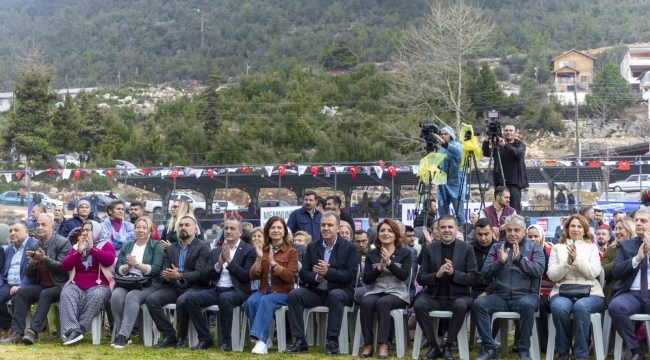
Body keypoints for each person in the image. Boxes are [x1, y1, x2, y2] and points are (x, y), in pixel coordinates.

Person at [285, 211, 360, 355]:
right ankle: (300, 341)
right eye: (323, 225)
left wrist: (328, 272)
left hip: (341, 291)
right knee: (294, 295)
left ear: (338, 228)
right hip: (317, 291)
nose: (326, 228)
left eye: (330, 225)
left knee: (335, 295)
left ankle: (332, 341)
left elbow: (350, 275)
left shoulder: (349, 248)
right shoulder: (313, 246)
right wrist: (318, 277)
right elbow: (304, 273)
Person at [473, 214, 544, 360]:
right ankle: (489, 348)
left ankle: (523, 349)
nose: (512, 234)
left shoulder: (534, 248)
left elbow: (538, 271)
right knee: (479, 304)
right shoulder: (497, 247)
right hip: (501, 297)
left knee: (526, 304)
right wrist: (499, 262)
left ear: (524, 231)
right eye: (509, 230)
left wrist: (519, 260)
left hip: (526, 296)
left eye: (516, 230)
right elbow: (485, 273)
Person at [185, 217, 256, 351]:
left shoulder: (248, 250)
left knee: (225, 298)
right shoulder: (216, 251)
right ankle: (205, 339)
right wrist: (218, 265)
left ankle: (226, 342)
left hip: (237, 291)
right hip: (217, 290)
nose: (228, 231)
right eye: (226, 228)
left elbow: (246, 277)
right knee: (191, 299)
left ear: (240, 232)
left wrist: (229, 261)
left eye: (232, 228)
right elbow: (205, 277)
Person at [1, 214, 72, 345]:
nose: (39, 227)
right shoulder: (36, 245)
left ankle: (32, 332)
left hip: (59, 285)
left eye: (43, 225)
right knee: (20, 293)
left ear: (52, 226)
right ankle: (17, 333)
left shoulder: (63, 242)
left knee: (46, 294)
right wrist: (33, 263)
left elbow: (63, 268)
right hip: (41, 284)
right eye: (38, 224)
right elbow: (28, 273)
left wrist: (44, 259)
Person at [414, 215, 477, 360]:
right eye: (443, 227)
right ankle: (434, 346)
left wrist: (454, 273)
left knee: (461, 305)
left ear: (456, 229)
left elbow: (473, 279)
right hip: (434, 296)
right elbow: (421, 278)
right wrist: (437, 274)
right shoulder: (430, 249)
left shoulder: (467, 249)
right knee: (418, 304)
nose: (446, 230)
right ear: (438, 230)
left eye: (450, 227)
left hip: (458, 296)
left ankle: (448, 346)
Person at [146, 216, 210, 349]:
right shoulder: (171, 248)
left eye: (187, 225)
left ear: (195, 228)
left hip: (194, 287)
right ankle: (169, 335)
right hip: (174, 286)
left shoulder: (203, 247)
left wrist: (180, 275)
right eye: (181, 225)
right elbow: (164, 268)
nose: (183, 228)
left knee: (182, 300)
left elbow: (200, 273)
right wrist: (167, 276)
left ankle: (182, 337)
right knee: (152, 299)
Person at [547, 214, 604, 360]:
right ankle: (563, 352)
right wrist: (567, 263)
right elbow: (552, 275)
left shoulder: (592, 248)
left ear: (585, 230)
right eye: (572, 226)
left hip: (591, 292)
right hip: (562, 291)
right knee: (559, 308)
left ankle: (581, 354)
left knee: (581, 307)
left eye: (579, 226)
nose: (576, 229)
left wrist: (576, 260)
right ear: (566, 228)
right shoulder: (557, 248)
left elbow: (593, 273)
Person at [243, 216, 298, 354]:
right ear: (268, 231)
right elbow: (252, 276)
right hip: (263, 290)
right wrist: (259, 259)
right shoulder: (264, 250)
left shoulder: (292, 252)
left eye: (279, 227)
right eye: (273, 227)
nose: (276, 230)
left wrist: (274, 264)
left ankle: (261, 342)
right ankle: (264, 338)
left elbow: (289, 276)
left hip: (283, 292)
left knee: (265, 301)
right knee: (250, 302)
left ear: (284, 231)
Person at [359, 218, 413, 359]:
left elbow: (404, 277)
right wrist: (380, 267)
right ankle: (368, 344)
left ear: (395, 234)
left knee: (383, 303)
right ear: (378, 234)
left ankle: (383, 343)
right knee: (366, 302)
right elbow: (366, 279)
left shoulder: (405, 253)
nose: (386, 233)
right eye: (382, 230)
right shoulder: (372, 254)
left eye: (389, 231)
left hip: (397, 292)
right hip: (376, 289)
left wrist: (389, 263)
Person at [59, 220, 116, 345]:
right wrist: (78, 252)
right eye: (83, 230)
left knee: (96, 296)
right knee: (66, 293)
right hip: (77, 284)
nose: (84, 233)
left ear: (96, 231)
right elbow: (65, 265)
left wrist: (92, 249)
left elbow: (109, 260)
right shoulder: (76, 247)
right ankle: (71, 329)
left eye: (88, 230)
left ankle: (79, 330)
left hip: (100, 285)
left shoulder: (105, 244)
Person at [110, 217, 164, 349]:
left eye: (144, 228)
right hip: (128, 280)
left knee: (132, 296)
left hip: (148, 283)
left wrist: (137, 265)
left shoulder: (156, 246)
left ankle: (123, 336)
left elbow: (156, 269)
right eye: (138, 227)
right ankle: (122, 333)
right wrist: (128, 267)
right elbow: (118, 268)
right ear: (134, 230)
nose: (141, 230)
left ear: (150, 231)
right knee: (116, 296)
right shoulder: (127, 245)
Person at [608, 207, 650, 360]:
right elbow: (616, 271)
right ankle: (636, 350)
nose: (638, 223)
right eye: (637, 220)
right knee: (615, 306)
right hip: (631, 294)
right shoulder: (627, 245)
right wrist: (637, 259)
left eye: (643, 221)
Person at [481, 124, 529, 212]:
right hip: (499, 183)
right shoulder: (497, 145)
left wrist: (505, 145)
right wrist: (487, 139)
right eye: (506, 130)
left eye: (511, 130)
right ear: (503, 132)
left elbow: (518, 154)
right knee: (499, 209)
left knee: (514, 210)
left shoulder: (519, 144)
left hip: (514, 183)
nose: (508, 132)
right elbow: (486, 153)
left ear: (515, 132)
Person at [0, 221, 36, 334]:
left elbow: (34, 272)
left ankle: (15, 330)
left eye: (16, 230)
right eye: (11, 231)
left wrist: (21, 286)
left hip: (27, 284)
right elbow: (2, 271)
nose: (12, 233)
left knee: (18, 296)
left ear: (26, 232)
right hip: (8, 284)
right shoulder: (9, 249)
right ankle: (9, 325)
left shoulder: (34, 245)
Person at [526, 224, 553, 350]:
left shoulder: (550, 250)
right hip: (531, 290)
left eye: (536, 236)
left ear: (542, 237)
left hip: (551, 290)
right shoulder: (523, 251)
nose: (533, 239)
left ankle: (546, 343)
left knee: (541, 303)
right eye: (530, 236)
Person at [434, 126, 465, 226]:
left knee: (459, 215)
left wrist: (444, 143)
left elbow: (456, 153)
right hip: (442, 185)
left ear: (451, 135)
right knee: (443, 214)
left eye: (445, 134)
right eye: (441, 134)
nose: (443, 136)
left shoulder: (457, 146)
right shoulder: (441, 150)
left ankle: (461, 236)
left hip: (456, 186)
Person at [602, 217, 635, 304]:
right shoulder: (611, 249)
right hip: (615, 290)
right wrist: (620, 259)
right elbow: (603, 271)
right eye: (616, 229)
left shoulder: (639, 248)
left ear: (630, 229)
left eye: (620, 228)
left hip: (635, 289)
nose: (617, 232)